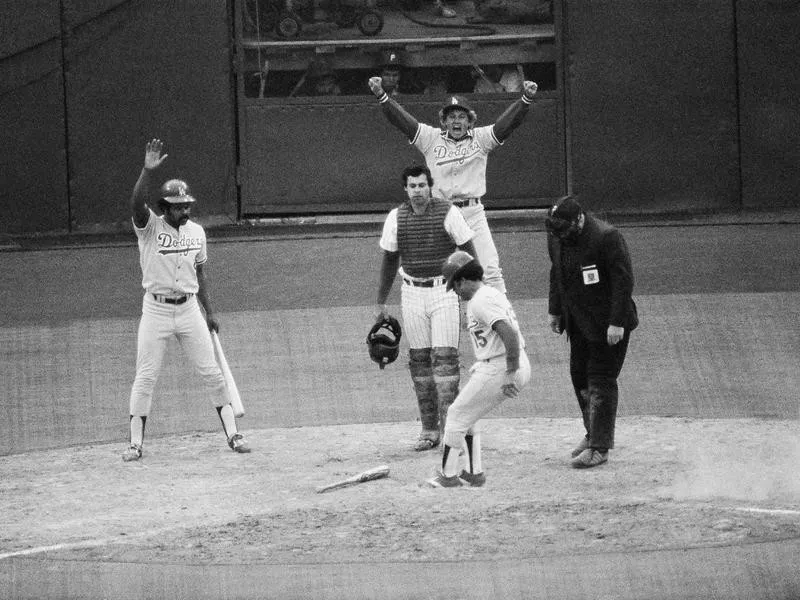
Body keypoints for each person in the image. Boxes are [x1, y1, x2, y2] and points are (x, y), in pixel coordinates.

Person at [123, 138, 251, 462]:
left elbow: (201, 275)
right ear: (164, 207)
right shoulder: (149, 227)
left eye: (187, 205)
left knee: (212, 372)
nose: (185, 210)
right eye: (178, 206)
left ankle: (233, 435)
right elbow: (137, 203)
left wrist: (210, 313)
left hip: (190, 307)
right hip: (155, 309)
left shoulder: (197, 232)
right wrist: (146, 171)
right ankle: (135, 443)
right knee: (146, 376)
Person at [367, 75, 538, 294]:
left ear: (470, 120)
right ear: (444, 121)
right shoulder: (431, 138)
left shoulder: (480, 138)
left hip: (473, 214)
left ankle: (500, 319)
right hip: (442, 214)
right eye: (451, 116)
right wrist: (382, 96)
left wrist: (525, 100)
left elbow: (506, 126)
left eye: (461, 116)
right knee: (441, 274)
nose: (456, 121)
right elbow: (404, 123)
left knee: (490, 271)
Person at [376, 164, 478, 451]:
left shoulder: (448, 212)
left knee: (445, 361)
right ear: (405, 189)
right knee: (420, 363)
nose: (418, 191)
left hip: (444, 291)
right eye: (413, 186)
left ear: (430, 186)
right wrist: (381, 302)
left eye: (422, 185)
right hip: (411, 293)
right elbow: (389, 260)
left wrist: (474, 292)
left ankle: (452, 429)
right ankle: (429, 429)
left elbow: (469, 251)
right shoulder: (396, 217)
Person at [545, 195, 639, 469]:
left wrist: (617, 322)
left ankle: (600, 447)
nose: (559, 234)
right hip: (578, 321)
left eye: (564, 228)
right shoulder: (557, 234)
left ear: (579, 219)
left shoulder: (606, 237)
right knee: (579, 376)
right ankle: (592, 432)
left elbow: (623, 281)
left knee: (601, 379)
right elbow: (557, 272)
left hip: (607, 324)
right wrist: (556, 310)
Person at [427, 250, 531, 487]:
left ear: (463, 280)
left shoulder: (481, 300)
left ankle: (447, 475)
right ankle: (474, 472)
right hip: (498, 363)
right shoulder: (489, 295)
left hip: (501, 364)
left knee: (455, 415)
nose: (455, 291)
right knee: (468, 414)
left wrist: (510, 371)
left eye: (455, 285)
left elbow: (509, 334)